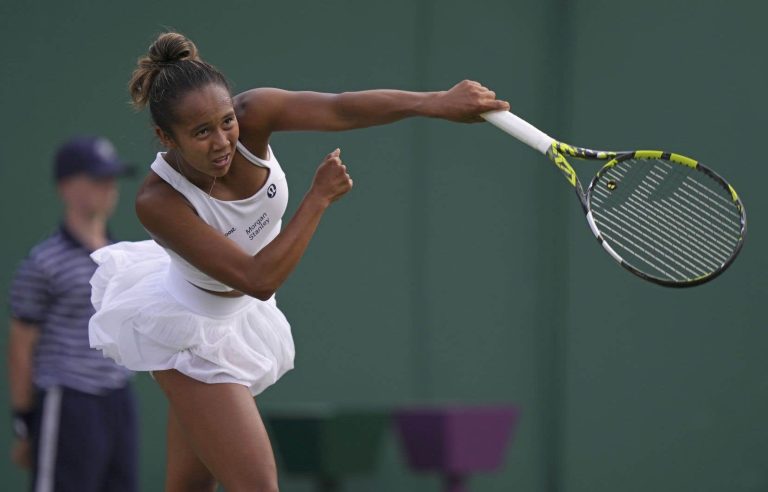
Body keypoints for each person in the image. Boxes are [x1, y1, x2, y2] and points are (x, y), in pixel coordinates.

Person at [87, 31, 509, 492]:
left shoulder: (255, 114)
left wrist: (434, 101)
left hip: (239, 318)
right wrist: (317, 198)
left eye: (226, 121)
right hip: (187, 336)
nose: (223, 141)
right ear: (165, 137)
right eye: (201, 132)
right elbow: (258, 278)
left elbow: (341, 108)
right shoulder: (158, 200)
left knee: (188, 487)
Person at [8, 136, 137, 492]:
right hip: (67, 403)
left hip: (118, 398)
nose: (109, 187)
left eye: (112, 178)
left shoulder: (119, 257)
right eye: (97, 178)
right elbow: (21, 346)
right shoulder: (42, 263)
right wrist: (25, 421)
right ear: (66, 187)